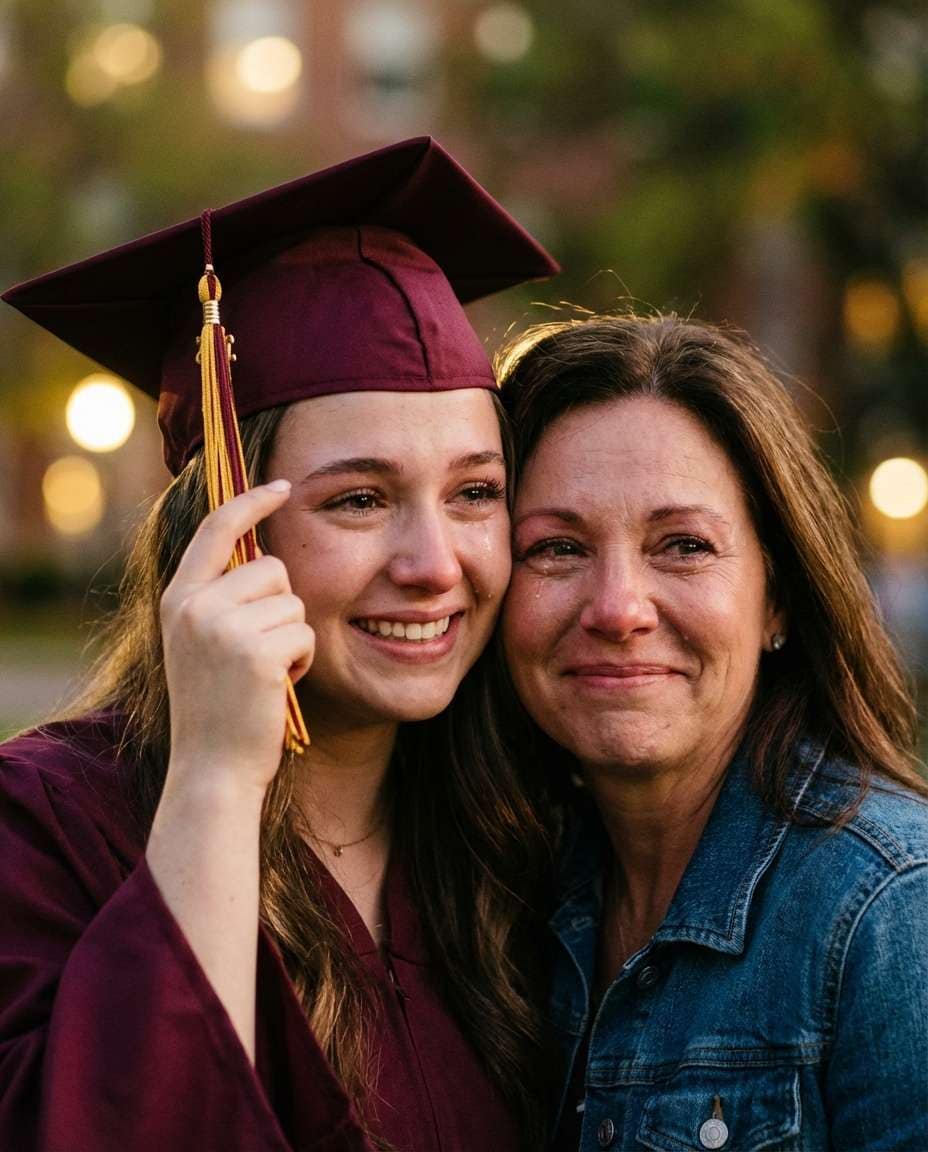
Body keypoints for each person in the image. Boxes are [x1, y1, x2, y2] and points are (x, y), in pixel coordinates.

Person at [0, 138, 558, 1152]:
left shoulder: (523, 832)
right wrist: (215, 778)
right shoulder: (43, 829)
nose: (435, 563)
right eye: (359, 498)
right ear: (228, 524)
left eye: (475, 491)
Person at [496, 313, 928, 1151]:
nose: (619, 607)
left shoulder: (890, 917)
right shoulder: (511, 897)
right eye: (555, 548)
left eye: (684, 545)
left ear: (776, 600)